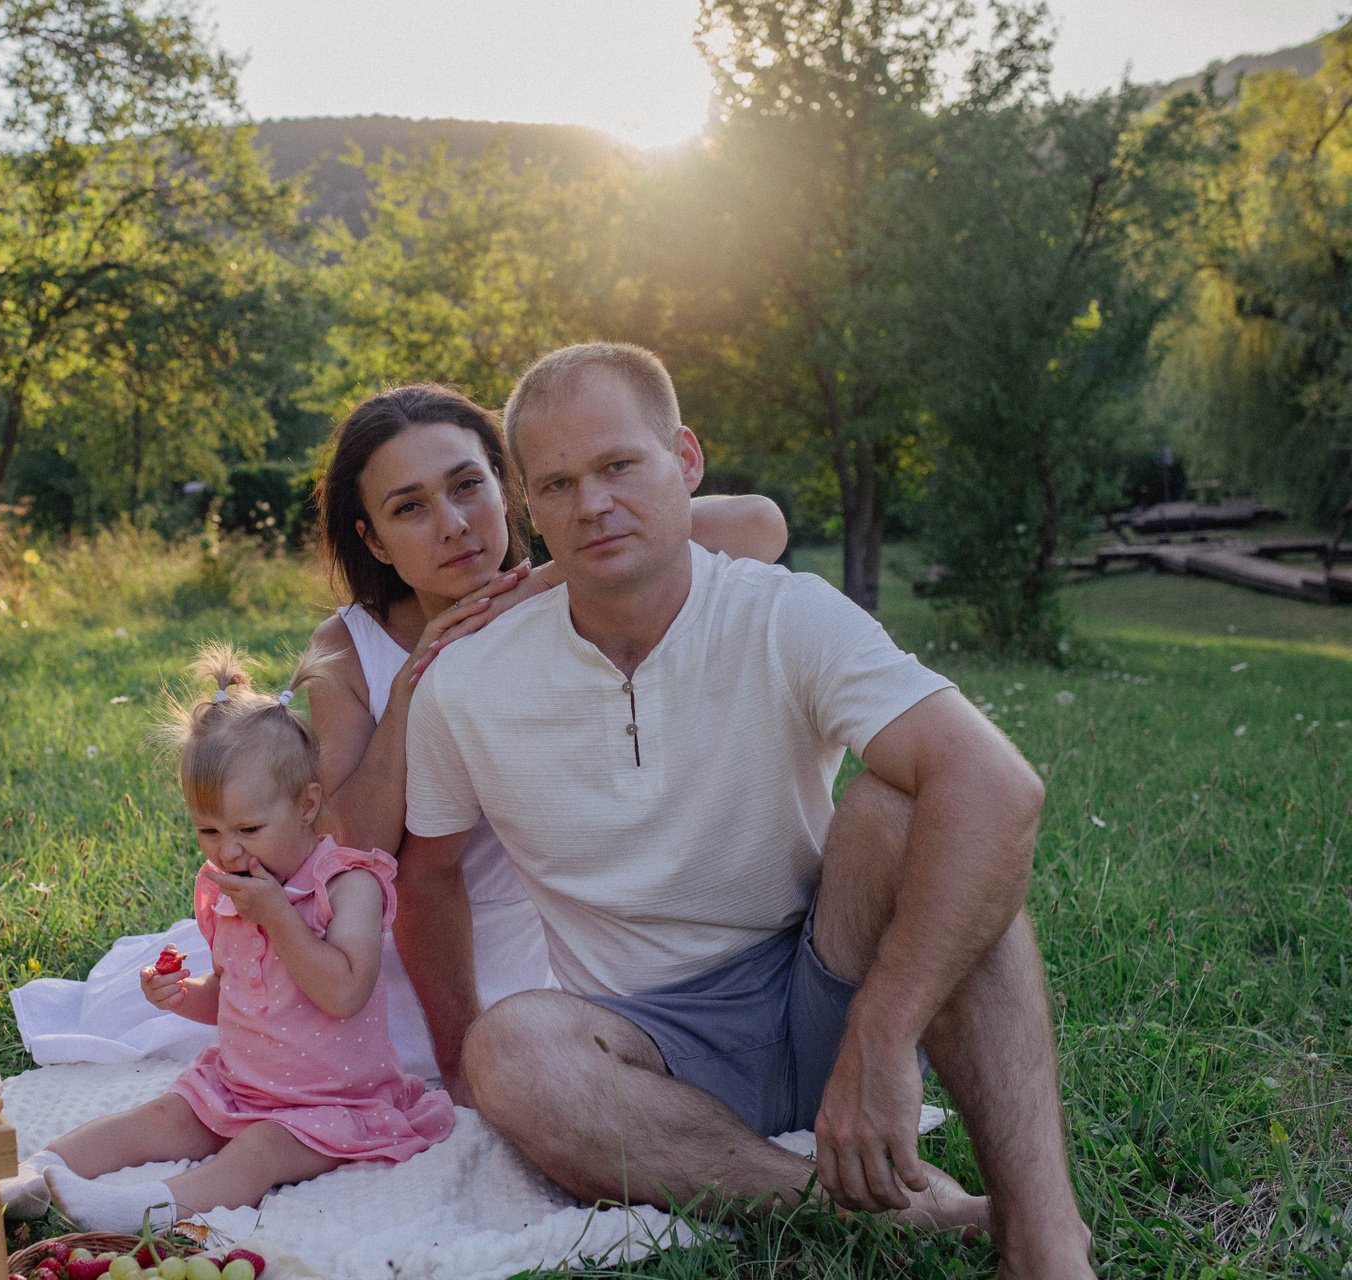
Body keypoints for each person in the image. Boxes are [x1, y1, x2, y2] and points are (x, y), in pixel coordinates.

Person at [396, 344, 1094, 1276]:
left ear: (684, 461)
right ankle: (866, 1210)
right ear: (530, 506)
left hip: (823, 977)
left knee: (922, 813)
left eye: (618, 465)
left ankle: (1045, 1241)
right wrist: (456, 1062)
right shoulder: (467, 681)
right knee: (510, 1051)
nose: (592, 504)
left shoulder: (783, 614)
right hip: (646, 1047)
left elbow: (1000, 787)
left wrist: (884, 1033)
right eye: (558, 484)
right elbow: (429, 876)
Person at [41, 383, 788, 1083]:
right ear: (374, 541)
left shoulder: (580, 577)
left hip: (551, 933)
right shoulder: (349, 645)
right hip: (387, 940)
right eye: (410, 508)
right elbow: (349, 843)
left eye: (468, 486)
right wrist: (413, 687)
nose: (454, 524)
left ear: (507, 489)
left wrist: (531, 589)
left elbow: (760, 525)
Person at [2, 647, 452, 1230]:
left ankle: (143, 1208)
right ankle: (37, 1170)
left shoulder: (348, 884)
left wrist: (278, 917)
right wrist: (181, 995)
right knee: (161, 1114)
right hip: (241, 1087)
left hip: (331, 1103)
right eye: (208, 830)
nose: (228, 849)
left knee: (257, 1152)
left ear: (307, 804)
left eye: (249, 829)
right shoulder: (229, 888)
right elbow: (234, 993)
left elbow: (345, 994)